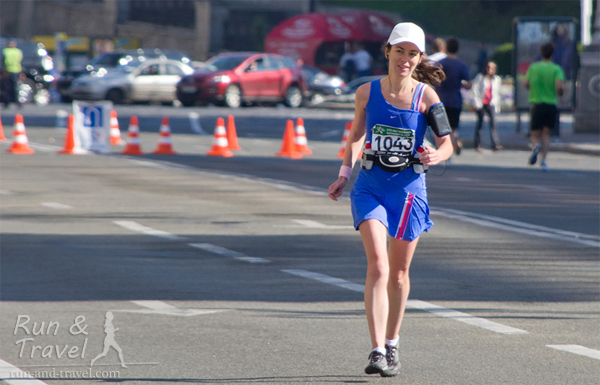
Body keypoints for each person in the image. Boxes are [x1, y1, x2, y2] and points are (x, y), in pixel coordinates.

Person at [328, 22, 453, 377]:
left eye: (412, 54)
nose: (405, 59)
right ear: (387, 52)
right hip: (370, 185)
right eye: (399, 51)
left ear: (419, 58)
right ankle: (377, 349)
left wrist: (436, 156)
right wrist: (344, 173)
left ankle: (393, 341)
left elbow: (447, 143)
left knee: (398, 274)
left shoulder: (427, 97)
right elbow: (356, 133)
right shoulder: (367, 92)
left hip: (409, 191)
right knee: (379, 266)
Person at [523, 42, 565, 172]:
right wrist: (560, 92)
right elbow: (559, 87)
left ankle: (535, 146)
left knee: (534, 133)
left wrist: (533, 89)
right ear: (552, 53)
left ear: (541, 53)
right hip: (551, 104)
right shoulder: (556, 69)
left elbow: (526, 83)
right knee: (546, 135)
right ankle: (543, 162)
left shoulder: (534, 68)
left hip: (537, 103)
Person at [435, 38, 471, 155]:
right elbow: (468, 84)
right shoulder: (461, 64)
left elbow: (435, 80)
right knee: (453, 128)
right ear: (458, 49)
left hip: (440, 100)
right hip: (455, 100)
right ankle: (455, 142)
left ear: (445, 48)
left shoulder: (441, 64)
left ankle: (447, 150)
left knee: (442, 128)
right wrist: (459, 84)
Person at [472, 61, 503, 151]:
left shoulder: (496, 79)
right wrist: (477, 102)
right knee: (480, 124)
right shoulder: (481, 77)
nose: (490, 70)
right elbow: (475, 89)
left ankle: (495, 144)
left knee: (493, 124)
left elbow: (497, 93)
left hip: (491, 103)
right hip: (482, 103)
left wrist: (497, 105)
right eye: (488, 67)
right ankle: (477, 144)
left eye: (492, 68)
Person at [2, 40, 23, 108]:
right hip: (17, 70)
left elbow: (3, 61)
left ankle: (7, 103)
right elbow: (21, 61)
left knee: (7, 87)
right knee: (15, 87)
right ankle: (18, 102)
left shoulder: (6, 51)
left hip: (7, 71)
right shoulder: (18, 51)